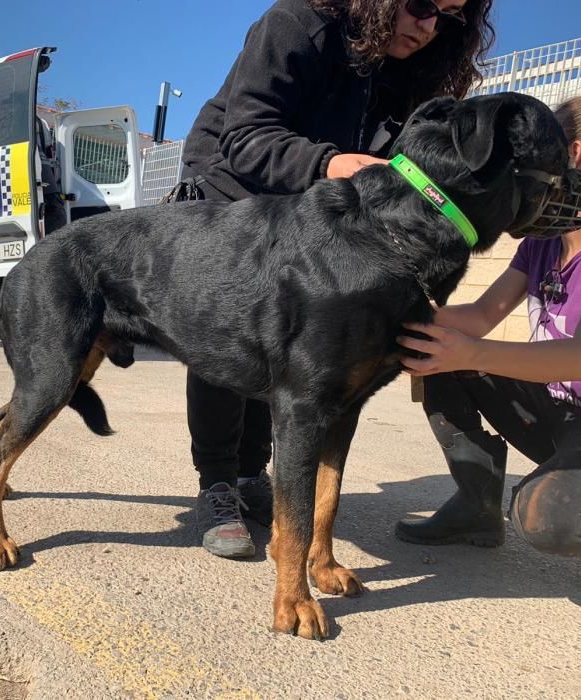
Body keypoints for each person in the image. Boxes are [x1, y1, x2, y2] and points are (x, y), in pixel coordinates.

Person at [178, 0, 495, 557]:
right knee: (228, 344)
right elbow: (246, 135)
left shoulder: (413, 67)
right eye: (422, 5)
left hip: (316, 204)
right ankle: (219, 484)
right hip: (234, 189)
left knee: (289, 350)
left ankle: (255, 476)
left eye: (448, 17)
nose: (428, 26)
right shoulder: (297, 24)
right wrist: (331, 164)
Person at [395, 94, 581, 589]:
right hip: (564, 415)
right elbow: (481, 315)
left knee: (547, 521)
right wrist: (394, 316)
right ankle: (476, 506)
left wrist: (469, 351)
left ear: (571, 155)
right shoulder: (543, 242)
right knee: (435, 348)